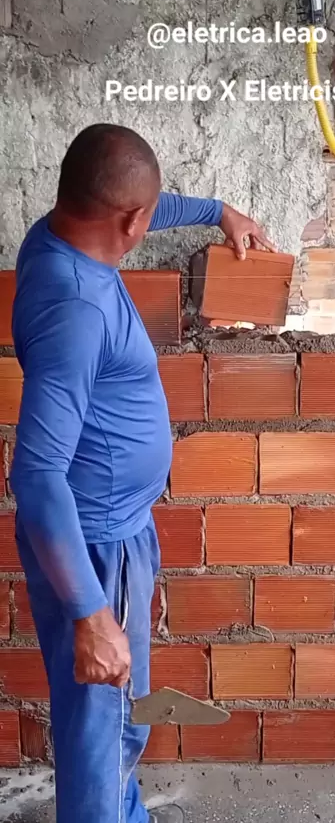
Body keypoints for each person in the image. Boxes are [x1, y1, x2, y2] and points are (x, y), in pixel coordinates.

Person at [10, 123, 275, 823]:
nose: (150, 222)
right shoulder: (76, 308)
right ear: (129, 222)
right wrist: (93, 616)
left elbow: (143, 205)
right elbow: (35, 475)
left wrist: (218, 211)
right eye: (147, 216)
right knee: (103, 731)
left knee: (118, 717)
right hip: (96, 547)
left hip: (109, 532)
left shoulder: (57, 236)